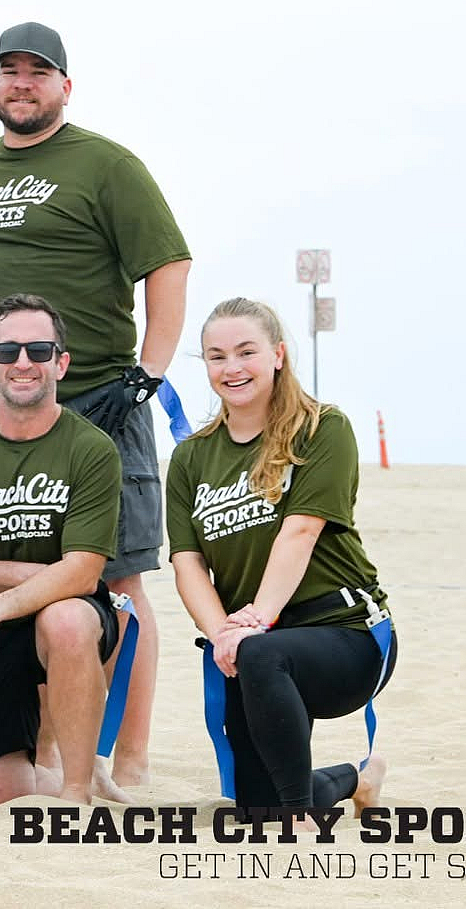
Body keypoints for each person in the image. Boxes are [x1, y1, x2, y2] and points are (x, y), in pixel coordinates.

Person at [0, 21, 191, 786]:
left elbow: (168, 264)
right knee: (33, 578)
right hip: (0, 411)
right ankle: (49, 752)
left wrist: (147, 374)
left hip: (98, 402)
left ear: (65, 85)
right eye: (9, 71)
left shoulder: (106, 164)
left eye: (38, 72)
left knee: (116, 582)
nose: (22, 83)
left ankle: (132, 758)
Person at [167, 297, 396, 815]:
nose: (232, 368)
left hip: (345, 633)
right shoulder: (191, 456)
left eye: (246, 352)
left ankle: (301, 821)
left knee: (262, 653)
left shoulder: (322, 428)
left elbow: (302, 530)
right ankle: (355, 780)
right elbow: (187, 563)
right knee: (257, 805)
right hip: (251, 646)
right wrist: (222, 634)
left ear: (277, 355)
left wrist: (254, 623)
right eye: (217, 356)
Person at [0, 294, 130, 805]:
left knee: (66, 618)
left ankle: (77, 791)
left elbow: (83, 573)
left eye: (39, 350)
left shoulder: (91, 448)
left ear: (61, 362)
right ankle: (58, 771)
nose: (23, 363)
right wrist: (26, 579)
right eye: (8, 351)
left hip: (64, 616)